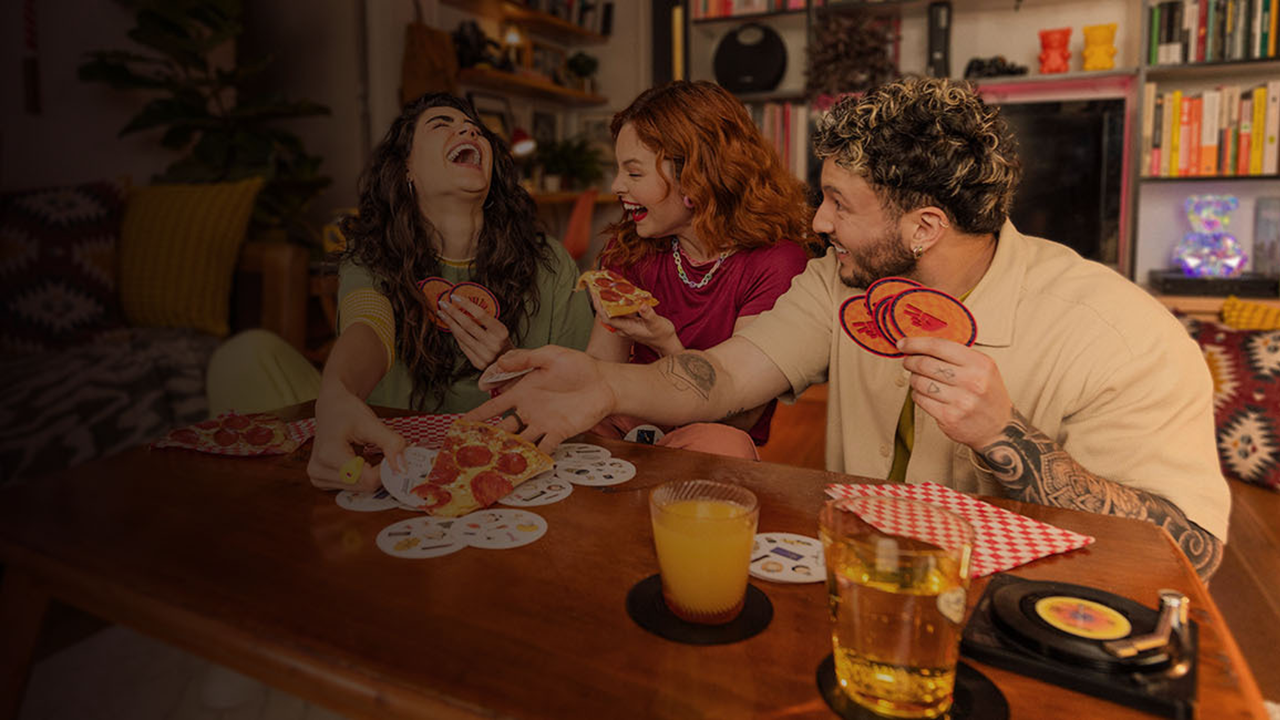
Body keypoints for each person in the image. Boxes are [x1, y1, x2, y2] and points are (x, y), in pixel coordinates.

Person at [468, 77, 1230, 579]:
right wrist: (602, 381)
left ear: (925, 225)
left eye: (838, 202)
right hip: (855, 582)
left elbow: (1190, 551)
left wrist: (1005, 435)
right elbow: (723, 375)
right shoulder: (840, 281)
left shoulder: (1120, 337)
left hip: (1019, 614)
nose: (815, 221)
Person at [206, 93, 593, 491]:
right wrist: (336, 396)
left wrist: (512, 369)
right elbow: (369, 325)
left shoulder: (551, 263)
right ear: (406, 167)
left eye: (475, 128)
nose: (469, 129)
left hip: (505, 459)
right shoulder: (373, 254)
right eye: (441, 123)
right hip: (385, 454)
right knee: (243, 356)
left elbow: (582, 397)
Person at [585, 81, 811, 458]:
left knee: (723, 446)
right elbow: (599, 371)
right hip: (631, 416)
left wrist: (664, 344)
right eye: (618, 170)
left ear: (694, 177)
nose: (616, 186)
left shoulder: (776, 263)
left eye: (634, 173)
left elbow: (739, 419)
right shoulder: (628, 249)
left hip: (712, 432)